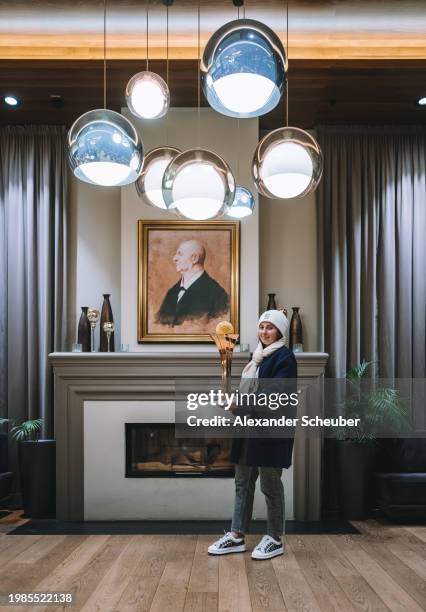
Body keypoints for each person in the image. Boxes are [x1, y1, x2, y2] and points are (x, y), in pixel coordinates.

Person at [208, 310, 297, 560]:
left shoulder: (285, 357)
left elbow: (277, 395)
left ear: (279, 332)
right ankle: (237, 535)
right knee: (242, 483)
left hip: (270, 431)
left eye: (270, 328)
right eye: (261, 327)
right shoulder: (255, 357)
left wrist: (240, 402)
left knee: (270, 484)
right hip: (248, 428)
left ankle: (274, 538)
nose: (264, 332)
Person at [157, 239, 229, 327]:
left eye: (180, 254)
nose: (174, 258)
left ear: (194, 258)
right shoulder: (172, 292)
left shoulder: (217, 294)